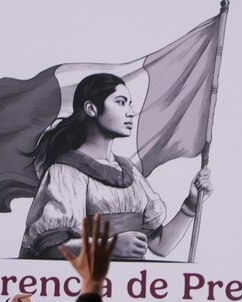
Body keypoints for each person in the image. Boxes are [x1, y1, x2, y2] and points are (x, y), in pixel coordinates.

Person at [19, 72, 213, 259]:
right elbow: (50, 249)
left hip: (132, 286)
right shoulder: (66, 170)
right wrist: (109, 247)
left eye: (130, 104)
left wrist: (191, 205)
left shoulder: (129, 171)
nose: (130, 112)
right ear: (91, 109)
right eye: (120, 102)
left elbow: (159, 246)